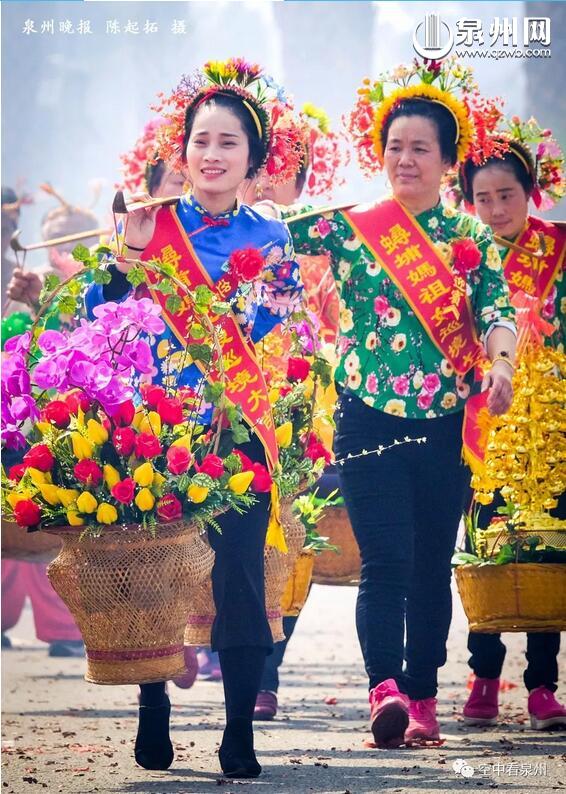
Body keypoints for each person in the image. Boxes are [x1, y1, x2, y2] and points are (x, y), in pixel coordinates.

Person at [287, 59, 516, 747]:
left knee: (428, 568)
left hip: (444, 424)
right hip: (366, 418)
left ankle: (423, 696)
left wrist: (501, 364)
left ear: (447, 162)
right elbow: (266, 236)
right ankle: (383, 690)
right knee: (384, 562)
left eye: (420, 148)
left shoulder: (470, 239)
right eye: (395, 147)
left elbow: (497, 313)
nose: (405, 159)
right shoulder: (351, 228)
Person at [84, 59, 303, 777]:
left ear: (252, 159)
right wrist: (131, 252)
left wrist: (236, 314)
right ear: (180, 152)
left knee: (240, 576)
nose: (212, 154)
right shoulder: (149, 225)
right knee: (150, 573)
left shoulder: (272, 235)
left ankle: (238, 732)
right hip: (154, 428)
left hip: (234, 428)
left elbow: (276, 319)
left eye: (228, 143)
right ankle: (153, 708)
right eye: (200, 141)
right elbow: (100, 315)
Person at [457, 118, 566, 730]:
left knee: (549, 547)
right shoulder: (462, 254)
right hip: (484, 423)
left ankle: (543, 684)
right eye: (483, 198)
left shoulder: (560, 250)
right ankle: (483, 674)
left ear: (531, 193)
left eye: (507, 195)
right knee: (485, 545)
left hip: (552, 422)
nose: (495, 209)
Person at [239, 103, 344, 721]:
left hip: (297, 411)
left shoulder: (320, 257)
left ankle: (266, 670)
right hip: (229, 405)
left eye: (284, 172)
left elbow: (338, 332)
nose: (268, 182)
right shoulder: (221, 238)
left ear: (302, 183)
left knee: (289, 533)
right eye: (262, 169)